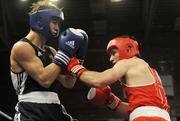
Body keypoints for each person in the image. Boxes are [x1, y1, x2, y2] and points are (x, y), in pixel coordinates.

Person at [10, 1, 88, 121]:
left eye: (58, 24)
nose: (57, 27)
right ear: (40, 20)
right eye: (54, 22)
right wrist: (65, 53)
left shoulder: (51, 51)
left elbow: (68, 82)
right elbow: (44, 79)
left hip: (55, 108)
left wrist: (79, 58)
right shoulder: (22, 47)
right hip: (31, 110)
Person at [67, 36, 171, 121]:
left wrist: (74, 66)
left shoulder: (128, 62)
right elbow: (140, 110)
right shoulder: (151, 71)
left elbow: (98, 80)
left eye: (113, 53)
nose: (110, 59)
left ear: (128, 49)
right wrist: (110, 100)